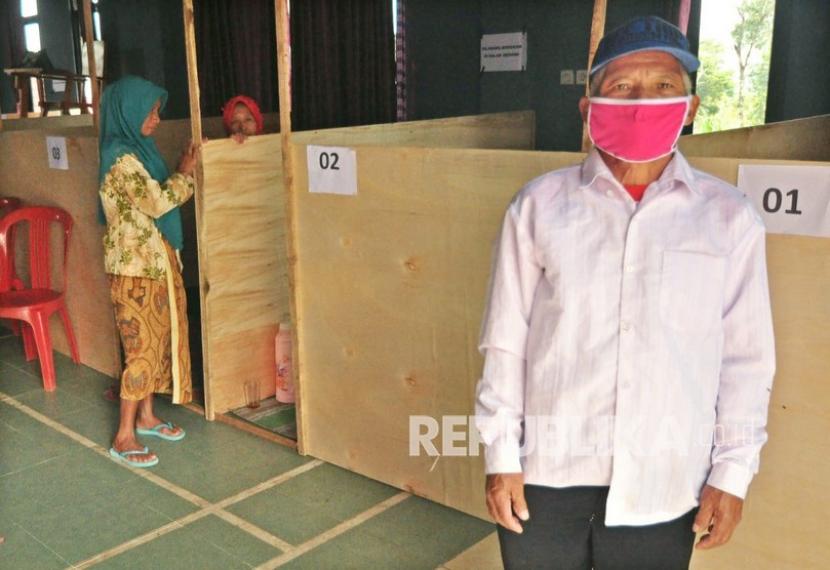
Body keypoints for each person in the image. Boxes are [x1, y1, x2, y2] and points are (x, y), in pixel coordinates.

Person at [475, 16, 775, 569]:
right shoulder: (538, 208)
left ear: (691, 107)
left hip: (667, 484)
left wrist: (732, 475)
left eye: (664, 87)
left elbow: (746, 364)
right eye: (622, 87)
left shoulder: (729, 219)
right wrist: (499, 455)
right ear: (589, 110)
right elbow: (505, 343)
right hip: (544, 475)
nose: (643, 102)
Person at [98, 76, 198, 468]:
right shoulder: (121, 158)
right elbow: (156, 202)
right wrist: (185, 173)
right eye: (150, 111)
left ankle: (147, 416)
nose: (156, 119)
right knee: (140, 348)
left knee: (157, 342)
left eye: (158, 111)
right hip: (134, 270)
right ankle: (124, 436)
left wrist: (176, 172)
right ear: (128, 111)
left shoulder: (140, 151)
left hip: (155, 263)